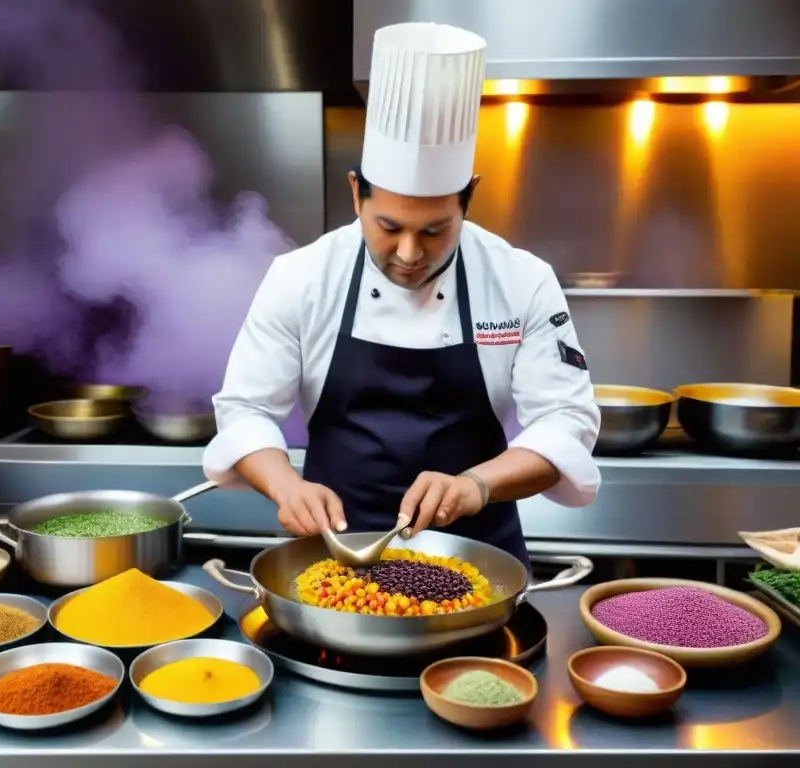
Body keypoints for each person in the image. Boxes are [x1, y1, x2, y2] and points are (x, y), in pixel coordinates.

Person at [201, 22, 600, 569]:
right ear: (355, 194)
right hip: (334, 561)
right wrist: (287, 487)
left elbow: (566, 422)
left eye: (435, 230)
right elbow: (246, 408)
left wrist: (476, 485)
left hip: (478, 561)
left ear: (470, 198)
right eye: (388, 227)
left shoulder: (521, 280)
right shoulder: (301, 277)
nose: (410, 253)